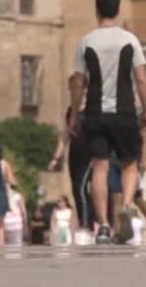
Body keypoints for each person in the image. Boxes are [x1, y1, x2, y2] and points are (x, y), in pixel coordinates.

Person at [69, 0, 146, 244]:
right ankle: (126, 207)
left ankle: (103, 225)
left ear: (97, 10)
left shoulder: (86, 42)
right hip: (125, 112)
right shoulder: (130, 40)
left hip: (95, 112)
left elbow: (79, 82)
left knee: (100, 167)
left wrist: (75, 113)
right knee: (129, 163)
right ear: (118, 9)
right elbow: (140, 78)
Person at [48, 75, 94, 230]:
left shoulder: (92, 108)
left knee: (82, 187)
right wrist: (56, 157)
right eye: (71, 89)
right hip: (75, 153)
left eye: (75, 89)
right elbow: (65, 135)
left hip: (90, 153)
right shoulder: (70, 111)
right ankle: (86, 221)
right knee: (76, 189)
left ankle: (87, 225)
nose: (72, 92)